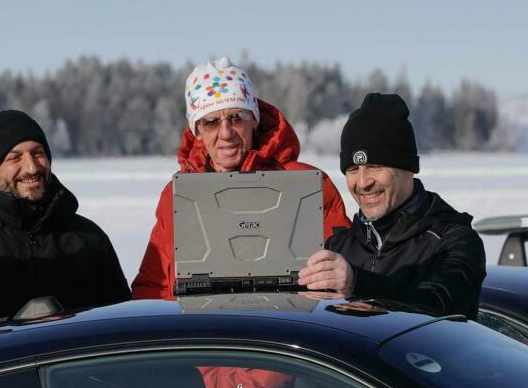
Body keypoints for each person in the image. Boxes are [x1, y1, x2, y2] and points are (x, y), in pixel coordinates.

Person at [132, 56, 350, 299]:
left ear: (254, 119)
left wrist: (346, 279)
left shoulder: (309, 186)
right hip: (205, 332)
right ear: (198, 132)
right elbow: (154, 288)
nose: (226, 133)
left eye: (237, 117)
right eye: (211, 122)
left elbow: (347, 270)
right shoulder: (176, 196)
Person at [298, 93, 486, 319]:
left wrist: (358, 283)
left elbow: (440, 304)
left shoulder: (454, 241)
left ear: (408, 169)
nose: (363, 182)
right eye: (352, 170)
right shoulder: (339, 247)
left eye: (375, 166)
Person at [0, 110, 130, 324]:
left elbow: (120, 323)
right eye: (15, 157)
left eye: (37, 153)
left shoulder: (88, 238)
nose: (32, 167)